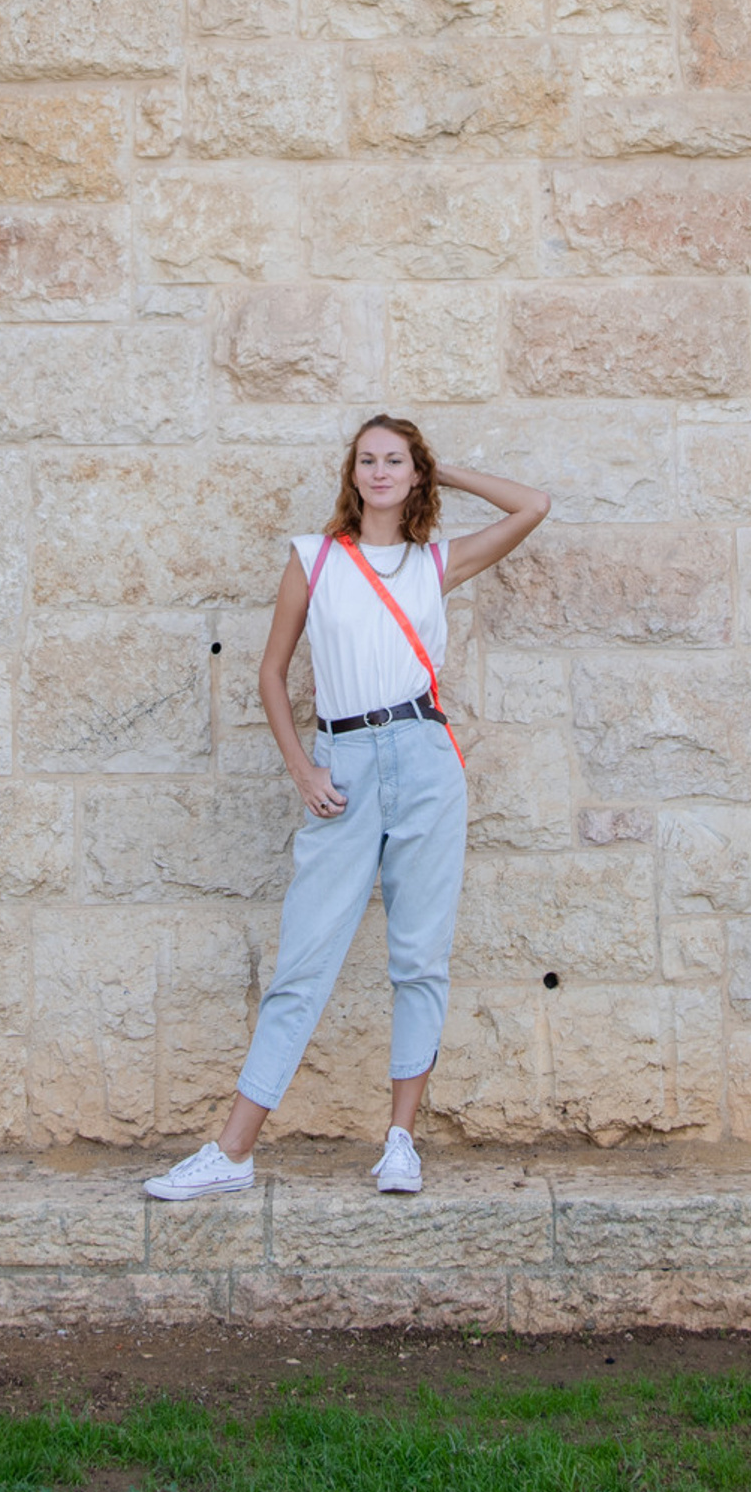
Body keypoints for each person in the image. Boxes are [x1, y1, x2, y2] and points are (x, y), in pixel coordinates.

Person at [143, 415, 551, 1201]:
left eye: (396, 460)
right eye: (368, 460)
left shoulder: (435, 564)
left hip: (426, 759)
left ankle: (400, 1142)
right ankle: (232, 1152)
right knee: (302, 960)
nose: (380, 471)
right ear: (352, 473)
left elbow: (532, 506)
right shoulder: (316, 557)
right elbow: (271, 672)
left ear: (413, 472)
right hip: (345, 762)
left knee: (419, 957)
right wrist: (303, 767)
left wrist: (449, 471)